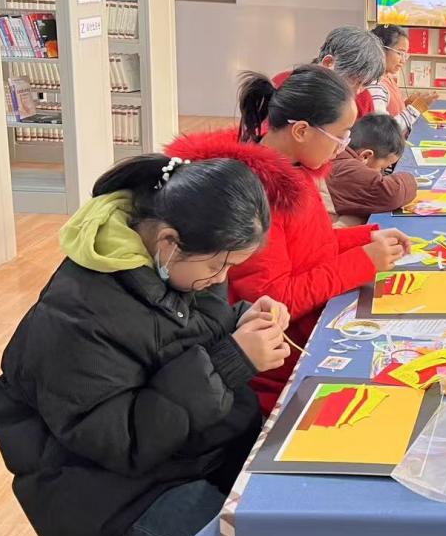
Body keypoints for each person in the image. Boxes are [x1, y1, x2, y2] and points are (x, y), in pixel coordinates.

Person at [0, 154, 286, 536]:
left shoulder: (177, 264)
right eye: (218, 265)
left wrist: (243, 322)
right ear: (168, 241)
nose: (222, 277)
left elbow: (186, 334)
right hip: (106, 494)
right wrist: (231, 361)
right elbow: (123, 440)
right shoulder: (77, 315)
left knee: (299, 518)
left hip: (186, 453)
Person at [166, 65, 410, 413]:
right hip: (281, 366)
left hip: (306, 336)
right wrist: (363, 261)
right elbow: (275, 299)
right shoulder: (257, 194)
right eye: (340, 136)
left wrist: (366, 238)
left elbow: (311, 248)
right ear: (301, 131)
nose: (343, 148)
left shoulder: (294, 170)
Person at [274, 26, 386, 118]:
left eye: (365, 84)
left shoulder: (363, 99)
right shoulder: (284, 85)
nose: (357, 91)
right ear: (328, 63)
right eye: (352, 80)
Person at [326, 113, 418, 225]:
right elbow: (391, 194)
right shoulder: (348, 170)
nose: (382, 174)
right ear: (366, 156)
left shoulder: (342, 160)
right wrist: (412, 180)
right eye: (382, 168)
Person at [367, 23, 438, 136]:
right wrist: (416, 108)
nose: (403, 60)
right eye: (400, 53)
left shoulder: (388, 77)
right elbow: (383, 131)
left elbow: (391, 113)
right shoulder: (375, 85)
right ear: (380, 49)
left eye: (405, 54)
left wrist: (407, 104)